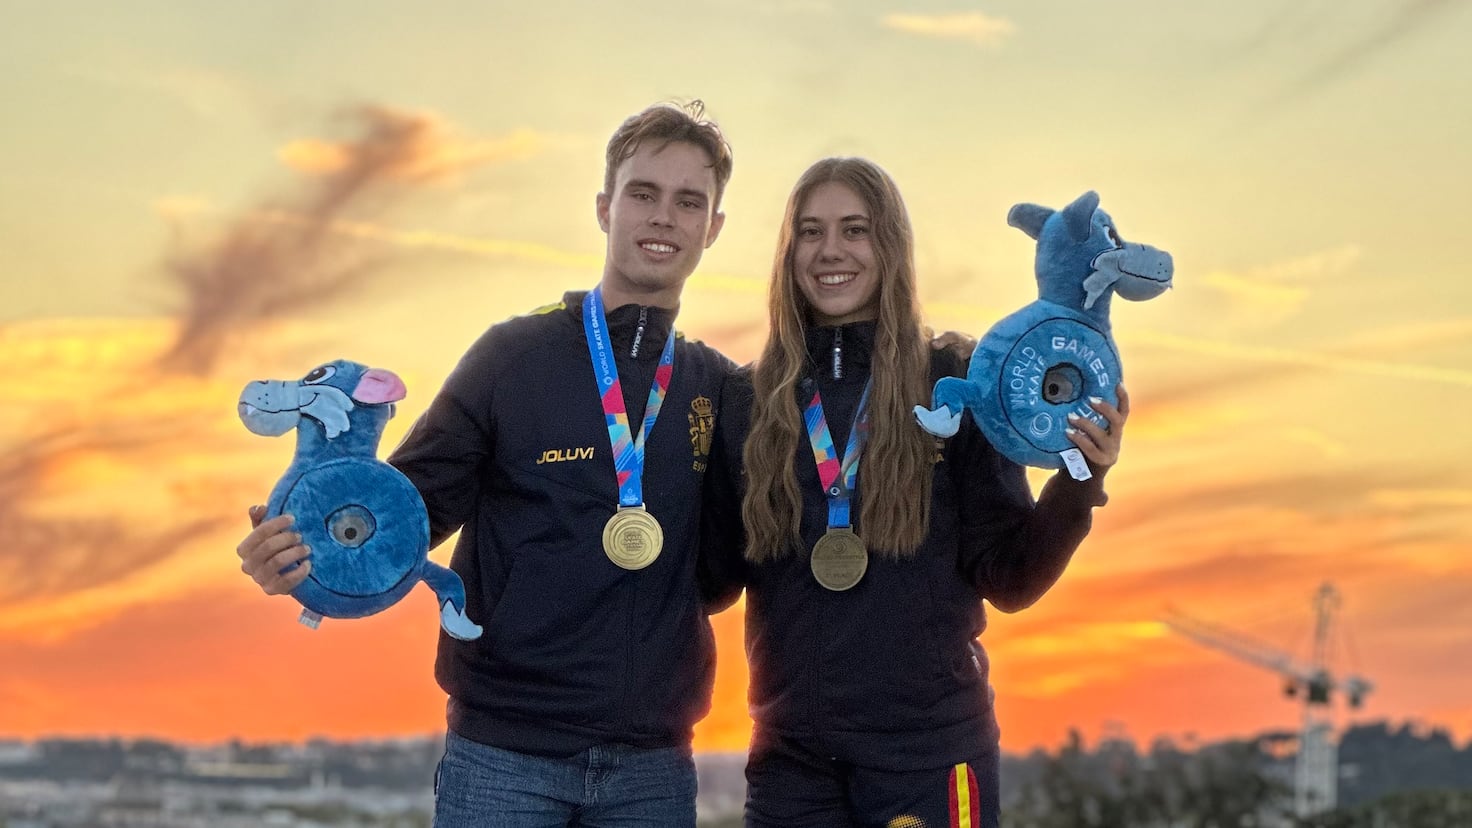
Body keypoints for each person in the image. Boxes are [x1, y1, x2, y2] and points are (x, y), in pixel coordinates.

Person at [236, 101, 736, 827]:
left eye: (689, 201)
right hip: (505, 762)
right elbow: (407, 511)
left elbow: (725, 570)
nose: (664, 216)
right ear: (605, 207)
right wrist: (300, 551)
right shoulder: (513, 357)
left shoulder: (715, 388)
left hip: (652, 772)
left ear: (713, 227)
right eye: (643, 193)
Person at [700, 157, 1128, 828]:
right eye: (811, 231)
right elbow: (713, 576)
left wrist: (1079, 481)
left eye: (856, 229)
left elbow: (1009, 577)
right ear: (788, 252)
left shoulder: (956, 381)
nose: (831, 250)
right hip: (791, 766)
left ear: (891, 246)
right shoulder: (744, 400)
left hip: (931, 760)